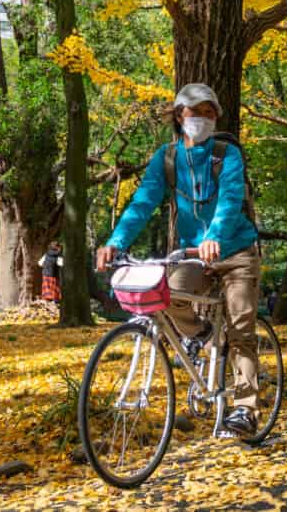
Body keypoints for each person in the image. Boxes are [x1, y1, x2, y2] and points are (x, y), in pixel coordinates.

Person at [95, 83, 262, 437]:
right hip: (191, 255)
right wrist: (115, 242)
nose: (201, 118)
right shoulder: (166, 158)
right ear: (178, 115)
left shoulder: (226, 154)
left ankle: (246, 409)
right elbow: (143, 202)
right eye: (193, 111)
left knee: (242, 328)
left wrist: (215, 235)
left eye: (208, 112)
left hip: (235, 252)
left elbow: (231, 199)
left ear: (216, 117)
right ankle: (202, 335)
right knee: (166, 293)